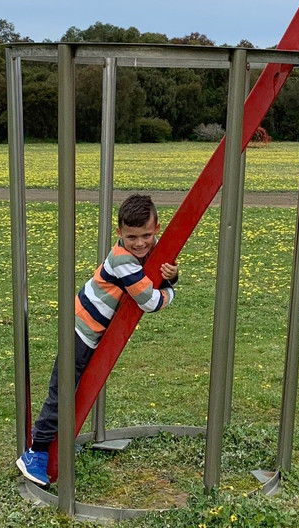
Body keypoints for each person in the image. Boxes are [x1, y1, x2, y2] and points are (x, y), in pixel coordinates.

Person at [17, 193, 178, 486]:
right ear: (119, 234)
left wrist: (171, 275)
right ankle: (36, 452)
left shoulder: (142, 253)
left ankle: (57, 439)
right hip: (81, 330)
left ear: (157, 229)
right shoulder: (123, 260)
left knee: (75, 389)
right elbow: (150, 301)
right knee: (63, 391)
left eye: (146, 235)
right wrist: (171, 291)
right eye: (132, 237)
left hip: (91, 331)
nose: (140, 243)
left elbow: (153, 278)